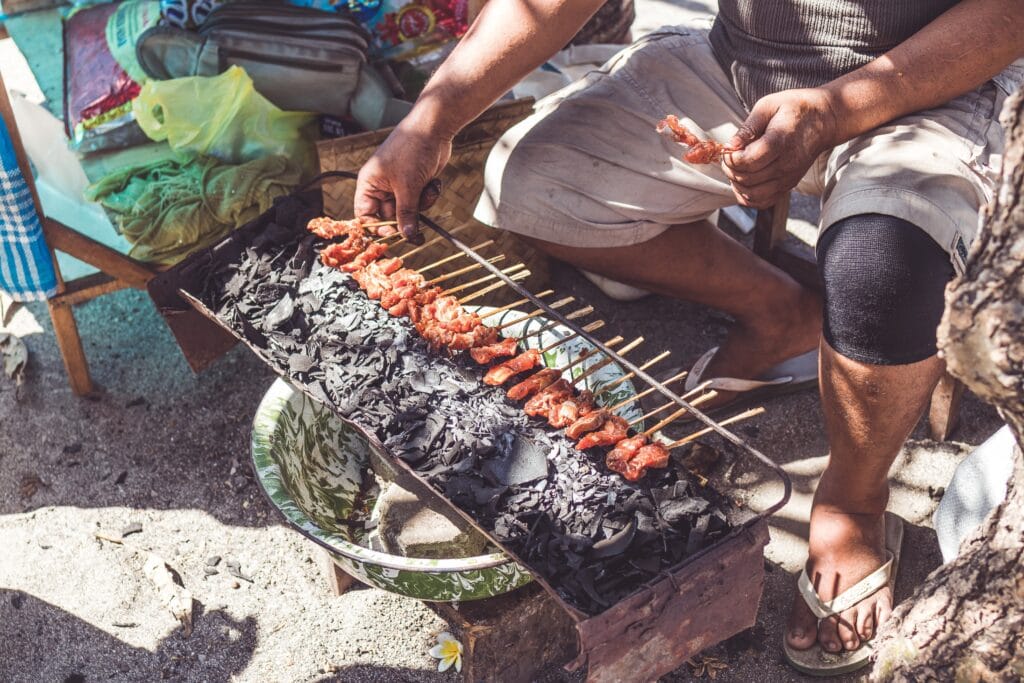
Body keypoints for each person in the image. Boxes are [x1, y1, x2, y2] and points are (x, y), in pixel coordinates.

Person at [353, 0, 1024, 674]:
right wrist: (429, 121)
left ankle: (854, 498)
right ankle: (783, 312)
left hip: (940, 86)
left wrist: (829, 111)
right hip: (744, 68)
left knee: (879, 269)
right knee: (531, 181)